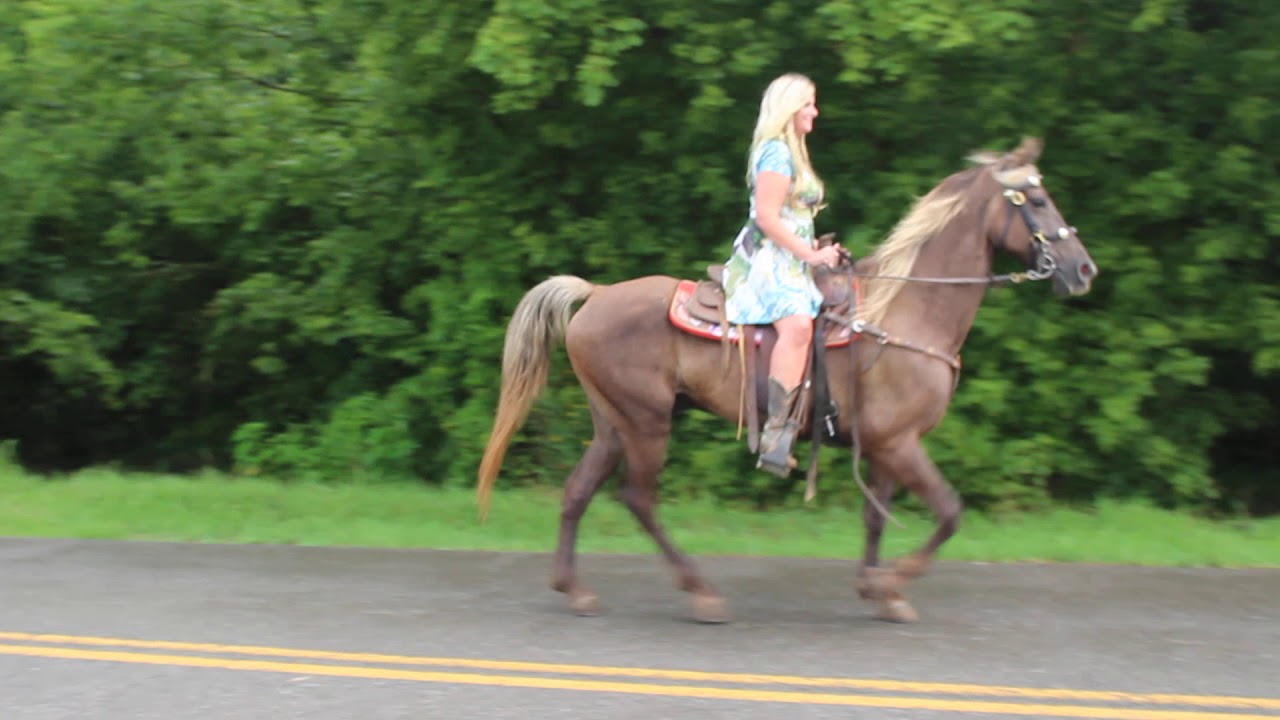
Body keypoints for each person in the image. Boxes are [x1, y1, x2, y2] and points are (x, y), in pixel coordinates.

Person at [721, 73, 843, 477]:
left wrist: (820, 253)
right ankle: (776, 436)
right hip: (768, 261)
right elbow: (767, 218)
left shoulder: (793, 152)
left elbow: (795, 216)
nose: (815, 111)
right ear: (790, 109)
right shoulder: (776, 153)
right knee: (796, 327)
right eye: (808, 103)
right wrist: (812, 253)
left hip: (794, 259)